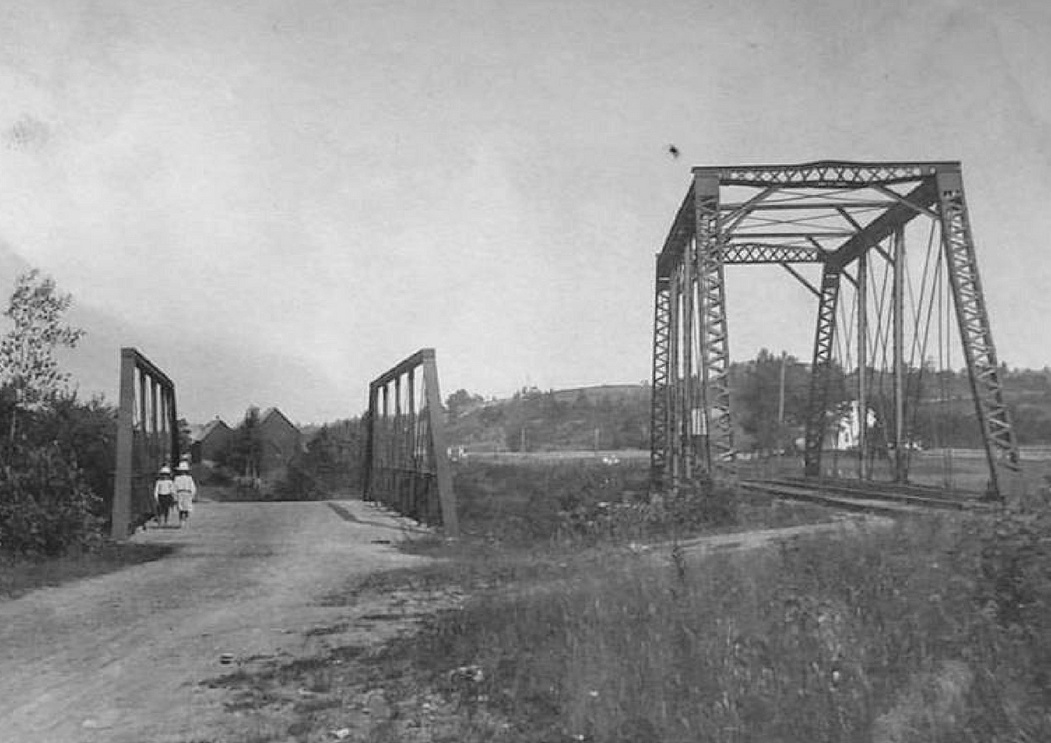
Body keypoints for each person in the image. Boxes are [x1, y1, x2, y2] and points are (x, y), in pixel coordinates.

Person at [173, 461, 197, 528]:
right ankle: (183, 521)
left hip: (181, 493)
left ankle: (182, 521)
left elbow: (174, 488)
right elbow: (193, 488)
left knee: (182, 509)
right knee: (184, 509)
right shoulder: (180, 478)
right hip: (186, 493)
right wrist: (192, 495)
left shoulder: (187, 478)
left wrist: (174, 496)